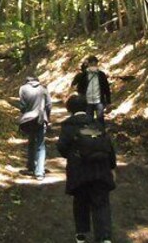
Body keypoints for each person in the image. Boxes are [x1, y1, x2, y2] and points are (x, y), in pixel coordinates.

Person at [57, 94, 116, 243]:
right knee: (101, 203)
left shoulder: (68, 125)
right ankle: (105, 238)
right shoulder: (96, 123)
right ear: (86, 107)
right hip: (100, 169)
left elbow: (62, 147)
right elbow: (109, 146)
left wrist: (72, 156)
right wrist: (112, 167)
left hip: (79, 171)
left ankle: (81, 235)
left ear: (69, 109)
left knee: (80, 202)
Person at [17, 75, 52, 181]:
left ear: (27, 81)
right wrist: (47, 117)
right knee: (41, 145)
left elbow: (22, 106)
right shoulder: (43, 89)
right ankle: (40, 172)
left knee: (31, 141)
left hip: (28, 119)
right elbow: (49, 104)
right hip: (41, 119)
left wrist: (25, 113)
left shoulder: (23, 89)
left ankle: (31, 166)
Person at [71, 55, 111, 126]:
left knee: (100, 119)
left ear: (97, 64)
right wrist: (79, 94)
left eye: (95, 64)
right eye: (91, 64)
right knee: (88, 120)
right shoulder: (83, 75)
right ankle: (89, 135)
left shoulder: (101, 75)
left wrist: (108, 102)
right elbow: (74, 84)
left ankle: (101, 135)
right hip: (87, 102)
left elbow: (106, 88)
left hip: (99, 101)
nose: (93, 66)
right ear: (88, 64)